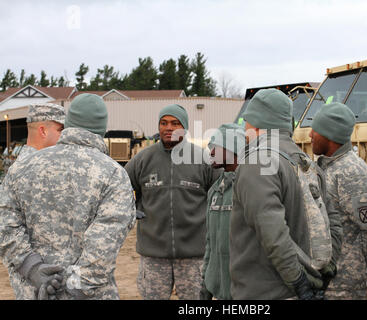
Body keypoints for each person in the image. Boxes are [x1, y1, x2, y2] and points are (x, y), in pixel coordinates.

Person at [0, 93, 136, 300]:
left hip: (34, 290)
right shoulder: (113, 174)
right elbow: (103, 246)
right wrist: (72, 288)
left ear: (70, 123)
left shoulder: (21, 168)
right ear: (101, 128)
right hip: (89, 294)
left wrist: (34, 270)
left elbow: (6, 226)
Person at [229, 89, 342, 300]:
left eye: (246, 121)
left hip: (266, 292)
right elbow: (333, 223)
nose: (244, 128)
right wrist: (324, 274)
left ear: (256, 122)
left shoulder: (257, 162)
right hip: (305, 286)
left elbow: (271, 231)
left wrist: (298, 281)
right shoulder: (307, 163)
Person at [125, 104, 222, 300]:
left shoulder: (204, 159)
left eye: (175, 123)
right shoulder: (142, 159)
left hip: (195, 258)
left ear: (184, 127)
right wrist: (131, 210)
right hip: (153, 258)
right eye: (164, 123)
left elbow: (222, 194)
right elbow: (120, 190)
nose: (168, 128)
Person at [309, 102, 367, 300]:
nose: (310, 135)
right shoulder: (325, 167)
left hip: (346, 284)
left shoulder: (352, 173)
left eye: (315, 131)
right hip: (325, 279)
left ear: (330, 135)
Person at [200, 123, 245, 300]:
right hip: (219, 292)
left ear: (233, 148)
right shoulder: (214, 191)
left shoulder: (248, 188)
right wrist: (206, 285)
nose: (211, 153)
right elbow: (210, 244)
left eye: (216, 147)